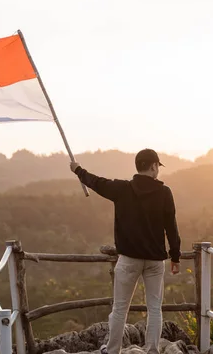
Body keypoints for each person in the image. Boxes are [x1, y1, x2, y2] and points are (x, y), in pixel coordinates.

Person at [70, 148, 181, 354]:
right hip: (155, 261)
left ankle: (112, 350)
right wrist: (175, 256)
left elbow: (96, 182)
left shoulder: (122, 189)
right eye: (158, 166)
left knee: (120, 309)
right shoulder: (164, 193)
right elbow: (171, 227)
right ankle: (153, 350)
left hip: (129, 259)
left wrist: (78, 170)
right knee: (154, 308)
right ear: (154, 166)